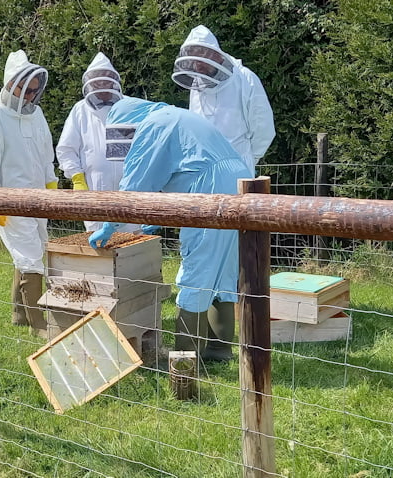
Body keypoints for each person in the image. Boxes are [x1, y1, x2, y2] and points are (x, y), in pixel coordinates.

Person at [88, 97, 252, 361]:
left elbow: (135, 184)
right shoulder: (174, 117)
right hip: (238, 184)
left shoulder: (154, 125)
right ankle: (219, 350)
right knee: (223, 271)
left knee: (196, 272)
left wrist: (109, 225)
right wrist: (158, 218)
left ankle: (184, 362)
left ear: (130, 123)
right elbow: (178, 174)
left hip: (211, 194)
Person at [0, 50, 58, 332]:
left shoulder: (37, 115)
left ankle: (19, 316)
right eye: (27, 90)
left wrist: (51, 185)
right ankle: (39, 326)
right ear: (11, 84)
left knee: (32, 251)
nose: (32, 96)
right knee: (30, 256)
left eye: (36, 90)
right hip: (9, 200)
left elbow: (47, 154)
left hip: (39, 199)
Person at [172, 24, 276, 176]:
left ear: (216, 55)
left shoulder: (246, 79)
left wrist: (247, 159)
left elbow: (263, 128)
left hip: (238, 169)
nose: (197, 64)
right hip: (202, 171)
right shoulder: (197, 83)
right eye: (194, 58)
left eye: (201, 56)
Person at [56, 52, 138, 232]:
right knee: (99, 244)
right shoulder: (80, 110)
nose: (101, 87)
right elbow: (66, 149)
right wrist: (77, 177)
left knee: (132, 245)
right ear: (89, 84)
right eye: (97, 83)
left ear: (113, 82)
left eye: (105, 81)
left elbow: (146, 146)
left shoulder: (130, 107)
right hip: (94, 188)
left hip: (130, 189)